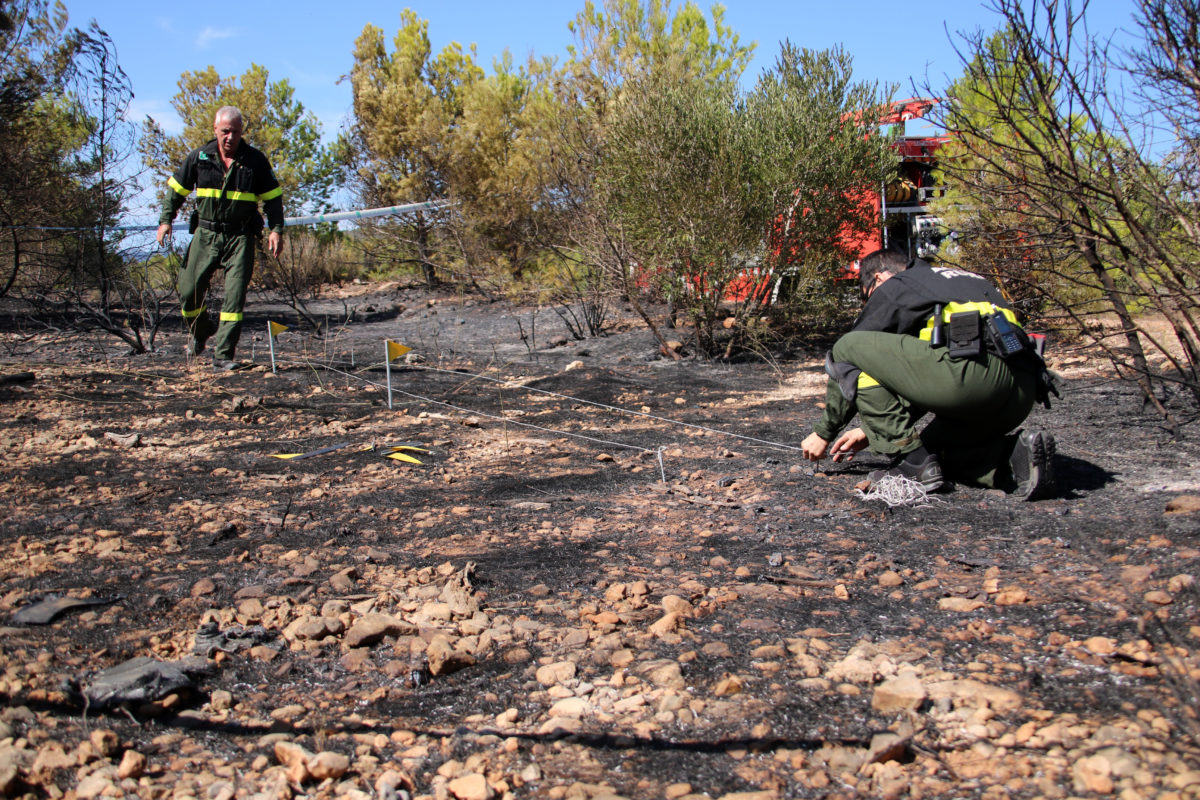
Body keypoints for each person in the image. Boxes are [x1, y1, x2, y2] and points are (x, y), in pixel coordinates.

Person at [800, 249, 1057, 500]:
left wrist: (824, 432)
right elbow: (916, 376)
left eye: (867, 296)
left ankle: (913, 465)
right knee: (931, 454)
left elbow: (849, 356)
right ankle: (1011, 458)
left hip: (971, 380)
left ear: (878, 278)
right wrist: (869, 430)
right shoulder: (965, 279)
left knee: (848, 345)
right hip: (1020, 395)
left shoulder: (899, 284)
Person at [156, 106, 284, 371]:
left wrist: (276, 229)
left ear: (241, 133)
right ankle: (201, 331)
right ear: (215, 129)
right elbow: (176, 191)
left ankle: (223, 356)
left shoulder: (255, 161)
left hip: (241, 237)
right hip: (206, 235)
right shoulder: (199, 157)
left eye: (235, 132)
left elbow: (273, 199)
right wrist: (165, 221)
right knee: (189, 292)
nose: (229, 137)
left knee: (234, 298)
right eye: (225, 131)